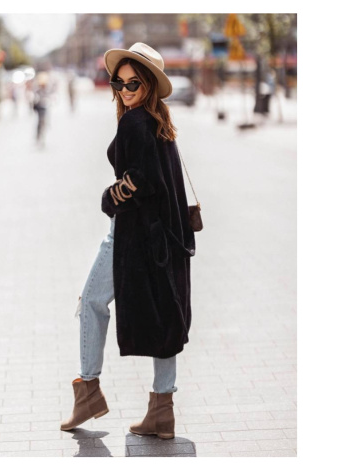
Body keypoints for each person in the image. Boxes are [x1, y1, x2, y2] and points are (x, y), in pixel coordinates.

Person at [60, 43, 196, 440]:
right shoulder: (159, 121)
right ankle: (162, 410)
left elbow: (141, 180)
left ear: (148, 84)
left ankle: (88, 388)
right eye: (118, 84)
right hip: (163, 236)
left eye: (132, 83)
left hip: (131, 233)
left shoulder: (135, 122)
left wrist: (110, 197)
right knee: (165, 315)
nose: (124, 90)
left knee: (91, 300)